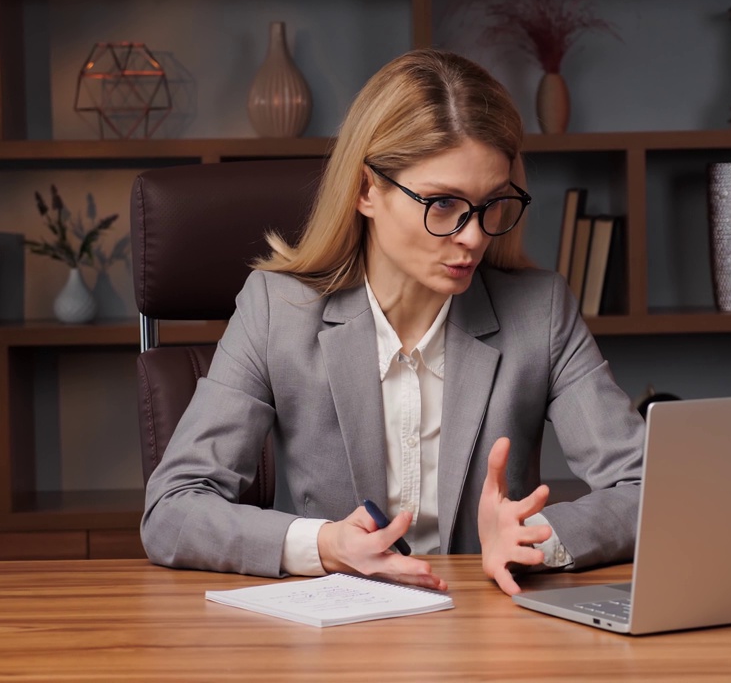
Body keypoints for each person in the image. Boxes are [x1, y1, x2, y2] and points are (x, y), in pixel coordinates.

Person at [141, 49, 644, 596]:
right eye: (443, 203)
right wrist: (326, 546)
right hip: (336, 634)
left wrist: (536, 539)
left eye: (492, 203)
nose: (473, 237)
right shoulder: (276, 311)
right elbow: (173, 509)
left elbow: (649, 488)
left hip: (489, 627)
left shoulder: (539, 313)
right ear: (365, 191)